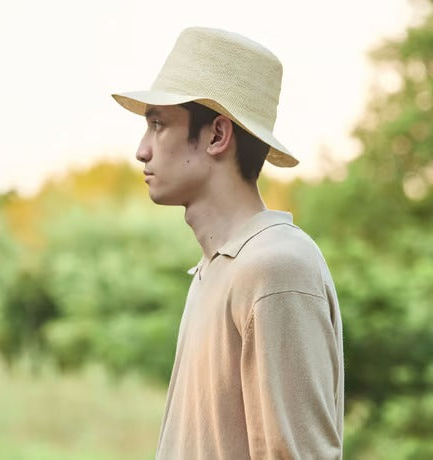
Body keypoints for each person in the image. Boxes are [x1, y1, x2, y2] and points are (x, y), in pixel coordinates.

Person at [112, 27, 344, 460]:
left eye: (158, 125)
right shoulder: (218, 267)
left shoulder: (277, 268)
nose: (141, 150)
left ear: (217, 135)